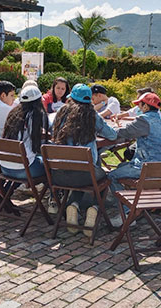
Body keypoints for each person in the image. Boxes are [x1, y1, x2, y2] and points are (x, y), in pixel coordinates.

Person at [51, 84, 117, 236]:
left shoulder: (62, 112)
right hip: (86, 173)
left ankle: (72, 203)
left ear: (72, 98)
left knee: (82, 174)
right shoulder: (92, 115)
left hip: (59, 173)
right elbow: (112, 135)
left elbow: (51, 130)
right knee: (101, 176)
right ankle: (93, 207)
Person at [107, 92, 161, 226]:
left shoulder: (143, 120)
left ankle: (127, 211)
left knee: (110, 176)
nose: (138, 108)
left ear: (145, 106)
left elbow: (124, 132)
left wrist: (106, 130)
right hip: (160, 167)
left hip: (147, 167)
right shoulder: (158, 119)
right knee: (120, 168)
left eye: (140, 105)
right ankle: (131, 203)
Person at [0, 85, 49, 179]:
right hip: (25, 169)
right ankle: (54, 194)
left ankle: (7, 190)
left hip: (4, 167)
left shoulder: (13, 113)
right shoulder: (36, 115)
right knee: (49, 165)